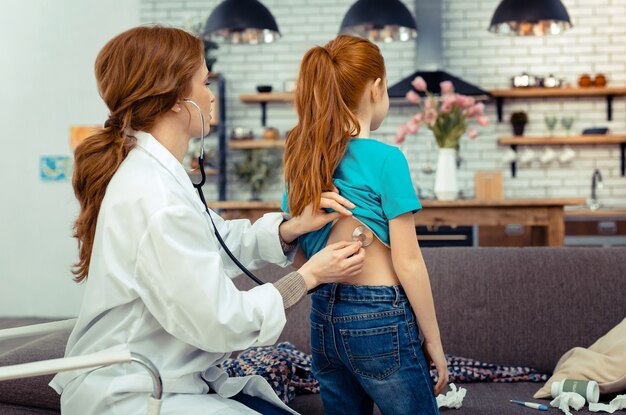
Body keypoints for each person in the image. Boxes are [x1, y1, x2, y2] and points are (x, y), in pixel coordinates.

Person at [49, 26, 365, 415]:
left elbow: (212, 242)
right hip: (134, 390)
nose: (212, 94)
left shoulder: (158, 176)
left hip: (165, 378)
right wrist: (309, 276)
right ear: (177, 100)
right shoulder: (156, 197)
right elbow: (220, 321)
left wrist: (290, 227)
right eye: (205, 81)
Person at [282, 34, 449, 415]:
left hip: (323, 318)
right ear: (376, 89)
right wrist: (434, 342)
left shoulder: (302, 159)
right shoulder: (387, 159)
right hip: (380, 318)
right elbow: (408, 263)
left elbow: (298, 260)